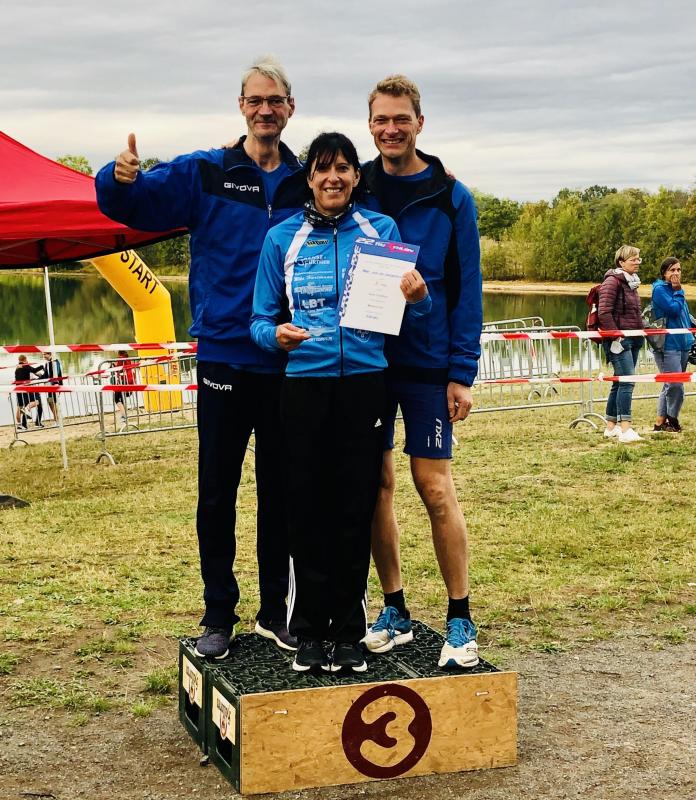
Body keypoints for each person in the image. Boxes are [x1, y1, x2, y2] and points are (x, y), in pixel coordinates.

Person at [96, 56, 307, 659]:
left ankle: (275, 612)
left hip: (286, 360)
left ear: (290, 108)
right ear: (241, 107)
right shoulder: (205, 171)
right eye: (254, 100)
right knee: (217, 492)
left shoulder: (305, 180)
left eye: (275, 101)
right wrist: (118, 178)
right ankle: (219, 613)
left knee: (281, 493)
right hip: (223, 357)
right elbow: (132, 204)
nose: (265, 110)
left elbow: (360, 208)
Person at [251, 132, 430, 673]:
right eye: (323, 169)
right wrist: (275, 336)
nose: (334, 178)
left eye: (344, 168)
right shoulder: (282, 237)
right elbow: (259, 321)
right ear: (309, 178)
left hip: (366, 384)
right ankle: (308, 630)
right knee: (305, 507)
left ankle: (350, 631)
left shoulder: (382, 232)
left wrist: (419, 298)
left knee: (356, 506)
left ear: (356, 176)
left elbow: (414, 315)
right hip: (304, 385)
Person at [359, 75, 483, 669]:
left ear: (419, 123)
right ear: (370, 125)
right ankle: (395, 609)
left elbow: (468, 288)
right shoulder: (355, 184)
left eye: (400, 119)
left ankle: (460, 616)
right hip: (367, 361)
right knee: (375, 485)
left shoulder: (451, 195)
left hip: (429, 364)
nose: (391, 129)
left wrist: (463, 371)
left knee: (433, 487)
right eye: (381, 120)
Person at [599, 245, 645, 444]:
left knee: (619, 382)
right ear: (621, 262)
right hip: (619, 341)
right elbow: (604, 312)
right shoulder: (612, 281)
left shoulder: (632, 283)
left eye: (638, 259)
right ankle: (625, 429)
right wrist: (617, 337)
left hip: (634, 338)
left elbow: (634, 313)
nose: (637, 262)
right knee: (627, 381)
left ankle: (611, 427)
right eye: (633, 259)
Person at [651, 257, 694, 432]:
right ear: (664, 273)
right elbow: (674, 310)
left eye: (678, 270)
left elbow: (684, 315)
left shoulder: (677, 290)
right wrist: (678, 291)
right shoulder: (659, 290)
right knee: (675, 384)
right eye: (672, 270)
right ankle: (672, 418)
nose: (676, 273)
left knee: (670, 383)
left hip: (684, 343)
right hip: (668, 345)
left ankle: (660, 423)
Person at [14, 355, 43, 430]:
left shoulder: (17, 367)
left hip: (18, 389)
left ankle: (20, 424)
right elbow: (35, 370)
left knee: (20, 407)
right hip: (26, 388)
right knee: (36, 402)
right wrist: (42, 366)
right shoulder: (25, 366)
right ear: (25, 359)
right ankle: (28, 413)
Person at [113, 350, 137, 427]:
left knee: (116, 398)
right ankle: (124, 414)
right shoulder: (128, 360)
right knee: (121, 398)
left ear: (119, 353)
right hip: (130, 383)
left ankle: (124, 416)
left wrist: (113, 365)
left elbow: (118, 370)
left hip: (124, 382)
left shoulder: (120, 359)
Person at [38, 352, 63, 422]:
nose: (43, 356)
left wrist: (55, 383)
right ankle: (57, 418)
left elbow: (57, 373)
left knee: (54, 402)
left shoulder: (56, 362)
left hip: (56, 385)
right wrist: (37, 380)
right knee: (50, 401)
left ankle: (57, 419)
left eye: (45, 354)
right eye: (43, 354)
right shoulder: (47, 364)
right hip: (49, 386)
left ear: (50, 354)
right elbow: (45, 375)